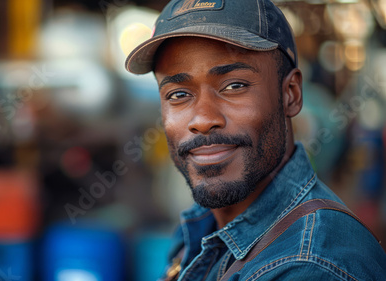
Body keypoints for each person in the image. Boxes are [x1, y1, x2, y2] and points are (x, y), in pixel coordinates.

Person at [125, 0, 386, 280]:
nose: (201, 119)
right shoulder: (203, 223)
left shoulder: (311, 266)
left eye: (234, 86)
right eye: (178, 95)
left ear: (291, 95)